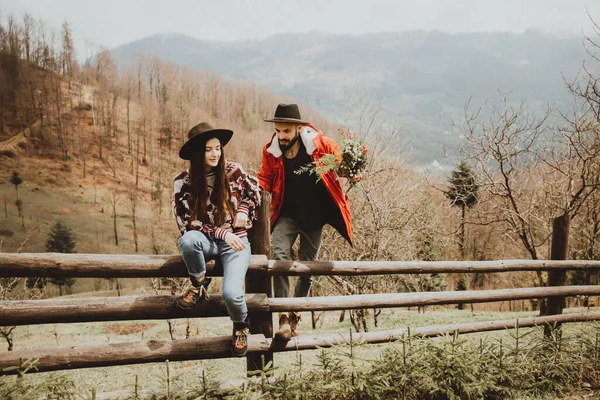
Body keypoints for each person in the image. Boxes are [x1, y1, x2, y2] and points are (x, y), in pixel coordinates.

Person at [258, 103, 357, 341]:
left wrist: (354, 169)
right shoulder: (271, 152)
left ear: (298, 129)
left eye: (286, 132)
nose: (281, 136)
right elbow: (264, 179)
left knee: (307, 269)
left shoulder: (319, 145)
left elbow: (342, 165)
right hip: (286, 214)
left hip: (314, 218)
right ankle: (282, 316)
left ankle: (296, 315)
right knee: (280, 258)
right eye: (278, 131)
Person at [172, 122, 260, 357]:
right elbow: (186, 223)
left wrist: (243, 210)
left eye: (217, 148)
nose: (214, 154)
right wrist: (222, 233)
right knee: (189, 241)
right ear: (196, 153)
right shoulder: (183, 183)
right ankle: (199, 282)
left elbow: (255, 191)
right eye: (208, 149)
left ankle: (241, 325)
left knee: (231, 293)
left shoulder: (233, 171)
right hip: (208, 240)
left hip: (237, 243)